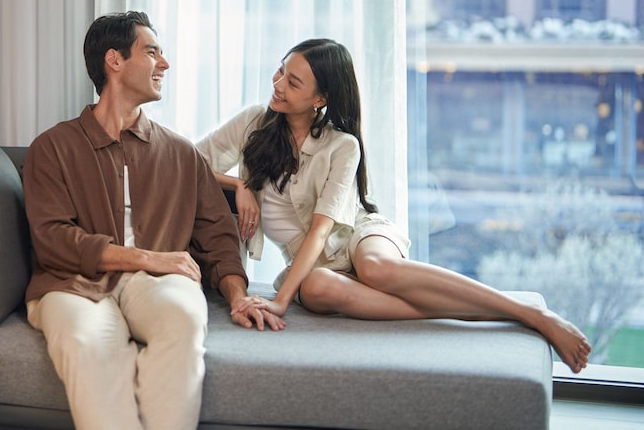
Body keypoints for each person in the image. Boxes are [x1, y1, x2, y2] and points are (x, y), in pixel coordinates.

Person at [195, 38, 592, 374]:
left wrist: (281, 301)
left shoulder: (342, 146)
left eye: (292, 82)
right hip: (310, 264)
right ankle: (478, 311)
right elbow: (190, 162)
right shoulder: (252, 123)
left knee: (375, 267)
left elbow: (322, 228)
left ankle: (531, 314)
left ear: (321, 99)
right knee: (316, 286)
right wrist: (240, 184)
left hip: (359, 237)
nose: (278, 84)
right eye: (281, 72)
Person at [22, 11, 284, 430]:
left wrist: (237, 296)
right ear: (114, 60)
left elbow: (217, 237)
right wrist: (148, 257)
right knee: (86, 343)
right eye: (152, 52)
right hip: (72, 283)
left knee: (183, 319)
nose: (165, 64)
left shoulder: (181, 153)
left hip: (161, 283)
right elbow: (53, 239)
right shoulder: (52, 148)